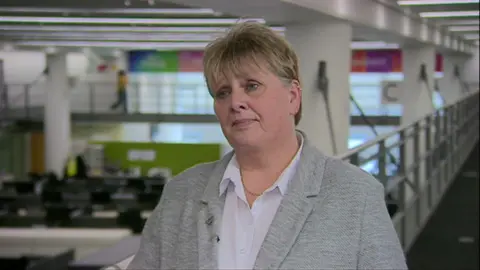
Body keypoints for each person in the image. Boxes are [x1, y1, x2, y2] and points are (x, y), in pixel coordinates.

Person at [127, 22, 407, 270]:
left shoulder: (356, 197)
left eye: (251, 86)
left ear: (293, 97)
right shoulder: (181, 195)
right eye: (223, 92)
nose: (235, 102)